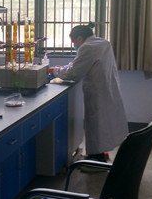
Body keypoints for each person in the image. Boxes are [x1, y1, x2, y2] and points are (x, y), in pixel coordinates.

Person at [48, 23, 129, 163]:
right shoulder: (103, 43)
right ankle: (101, 153)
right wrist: (62, 68)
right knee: (104, 123)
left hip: (97, 92)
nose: (74, 45)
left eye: (74, 42)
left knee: (96, 124)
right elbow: (78, 64)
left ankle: (96, 158)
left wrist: (55, 71)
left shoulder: (87, 47)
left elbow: (74, 73)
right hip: (107, 87)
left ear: (80, 38)